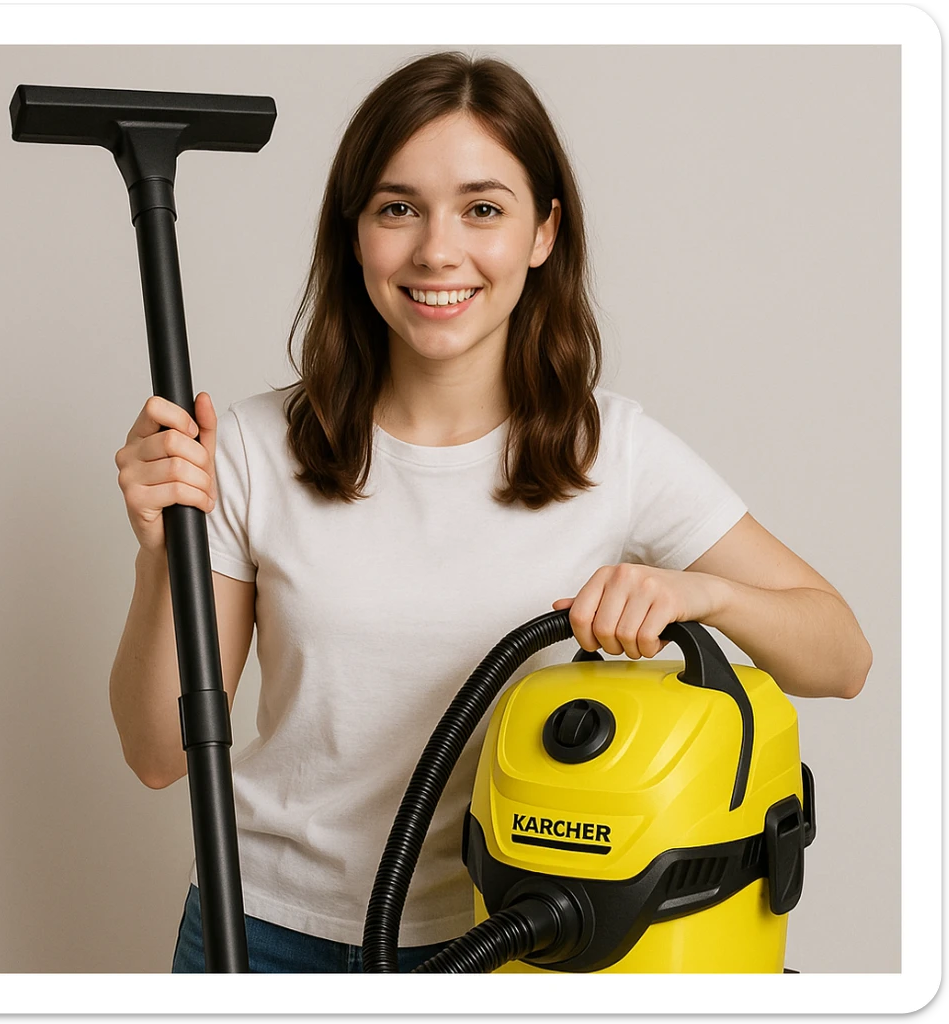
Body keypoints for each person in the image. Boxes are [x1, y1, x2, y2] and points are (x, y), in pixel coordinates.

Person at [109, 52, 872, 974]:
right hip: (261, 934)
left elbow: (842, 656)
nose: (437, 250)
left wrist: (700, 592)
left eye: (483, 208)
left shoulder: (611, 452)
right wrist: (162, 548)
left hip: (515, 941)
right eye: (398, 208)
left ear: (543, 232)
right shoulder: (249, 446)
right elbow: (158, 752)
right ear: (354, 234)